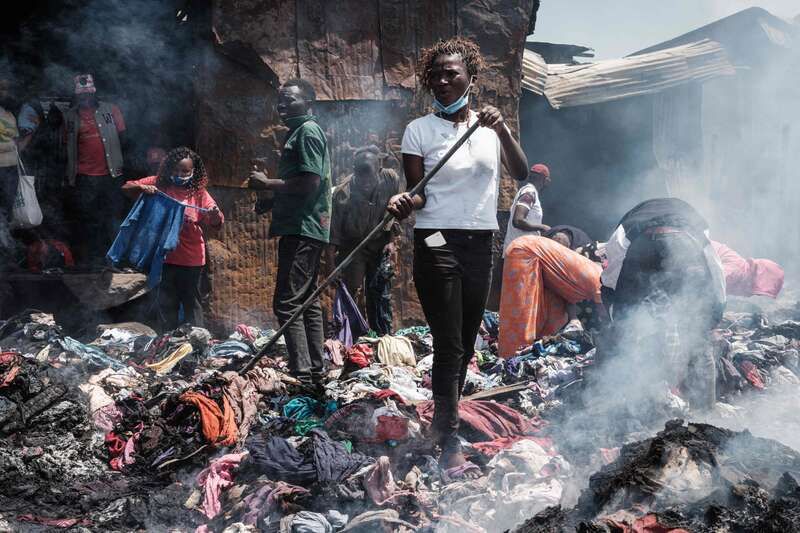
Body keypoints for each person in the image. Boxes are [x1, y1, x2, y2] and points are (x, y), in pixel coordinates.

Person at [387, 37, 529, 467]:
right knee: (449, 342)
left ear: (471, 78)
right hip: (436, 242)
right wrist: (402, 201)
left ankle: (441, 418)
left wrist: (501, 127)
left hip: (481, 243)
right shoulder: (419, 130)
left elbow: (521, 173)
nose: (443, 81)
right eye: (436, 75)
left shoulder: (490, 130)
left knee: (466, 343)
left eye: (452, 74)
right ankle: (446, 437)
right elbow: (419, 196)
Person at [601, 198, 725, 411]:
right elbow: (715, 269)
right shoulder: (695, 224)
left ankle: (626, 402)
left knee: (629, 330)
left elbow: (612, 272)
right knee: (696, 334)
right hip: (683, 245)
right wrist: (716, 310)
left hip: (641, 248)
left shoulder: (627, 226)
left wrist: (617, 315)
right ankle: (705, 410)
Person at [248, 78, 332, 389]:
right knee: (306, 300)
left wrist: (267, 183)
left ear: (309, 103)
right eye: (280, 101)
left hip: (303, 227)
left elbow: (310, 183)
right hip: (304, 225)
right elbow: (303, 185)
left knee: (287, 302)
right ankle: (315, 371)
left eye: (291, 100)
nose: (283, 106)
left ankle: (302, 374)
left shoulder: (307, 132)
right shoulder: (298, 133)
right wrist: (272, 199)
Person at [122, 147, 223, 330]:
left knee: (192, 303)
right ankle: (167, 342)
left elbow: (216, 223)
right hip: (164, 257)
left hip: (191, 259)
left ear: (194, 172)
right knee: (167, 303)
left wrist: (214, 214)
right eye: (176, 170)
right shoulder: (159, 184)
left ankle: (196, 342)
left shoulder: (198, 193)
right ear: (169, 169)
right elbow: (127, 187)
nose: (180, 174)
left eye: (185, 171)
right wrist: (142, 188)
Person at [329, 144, 400, 335]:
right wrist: (331, 265)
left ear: (379, 169)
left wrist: (391, 240)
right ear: (354, 172)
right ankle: (347, 337)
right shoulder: (342, 193)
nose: (366, 182)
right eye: (361, 176)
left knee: (379, 290)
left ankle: (382, 335)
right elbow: (333, 233)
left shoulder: (390, 178)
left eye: (370, 175)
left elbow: (394, 213)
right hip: (353, 248)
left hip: (380, 242)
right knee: (350, 290)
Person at [498, 235, 602, 357]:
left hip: (543, 267)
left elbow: (571, 301)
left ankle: (534, 357)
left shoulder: (599, 279)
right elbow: (607, 318)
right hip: (525, 252)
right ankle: (509, 359)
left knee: (554, 321)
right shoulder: (600, 283)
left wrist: (574, 320)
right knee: (523, 317)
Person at [64, 74, 127, 266]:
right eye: (81, 95)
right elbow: (67, 147)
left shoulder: (111, 110)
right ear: (76, 96)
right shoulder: (70, 116)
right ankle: (91, 260)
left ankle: (113, 259)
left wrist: (124, 167)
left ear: (94, 92)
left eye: (88, 94)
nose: (85, 98)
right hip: (84, 177)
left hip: (111, 174)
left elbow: (124, 139)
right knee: (88, 220)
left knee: (112, 218)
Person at [502, 163, 551, 256]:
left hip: (522, 251)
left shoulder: (529, 192)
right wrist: (541, 227)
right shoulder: (529, 193)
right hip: (519, 252)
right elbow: (518, 221)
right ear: (544, 180)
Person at [711, 240, 784, 299]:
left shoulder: (742, 274)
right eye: (757, 293)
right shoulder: (737, 271)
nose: (750, 296)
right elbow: (711, 282)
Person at [0, 73, 19, 223]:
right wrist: (11, 145)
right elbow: (13, 143)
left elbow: (15, 139)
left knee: (8, 208)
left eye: (7, 89)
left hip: (11, 169)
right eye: (2, 88)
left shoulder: (9, 114)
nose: (5, 92)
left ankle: (7, 242)